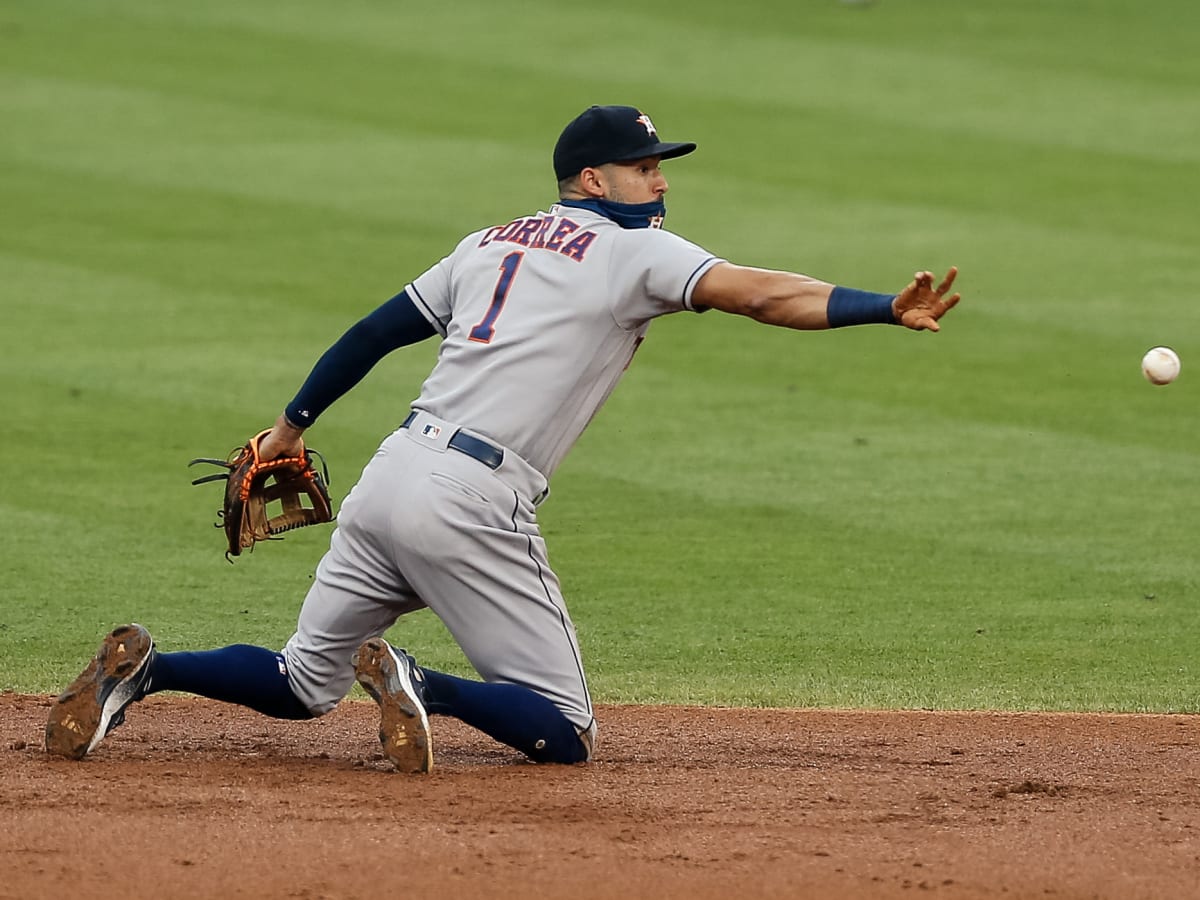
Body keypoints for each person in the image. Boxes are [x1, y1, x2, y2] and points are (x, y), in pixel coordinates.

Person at [45, 105, 961, 772]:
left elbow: (374, 333)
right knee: (566, 731)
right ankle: (418, 680)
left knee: (298, 682)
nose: (664, 180)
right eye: (647, 167)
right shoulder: (635, 252)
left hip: (392, 474)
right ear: (596, 181)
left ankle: (148, 671)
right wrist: (883, 307)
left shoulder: (486, 243)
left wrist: (287, 430)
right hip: (472, 501)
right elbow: (764, 294)